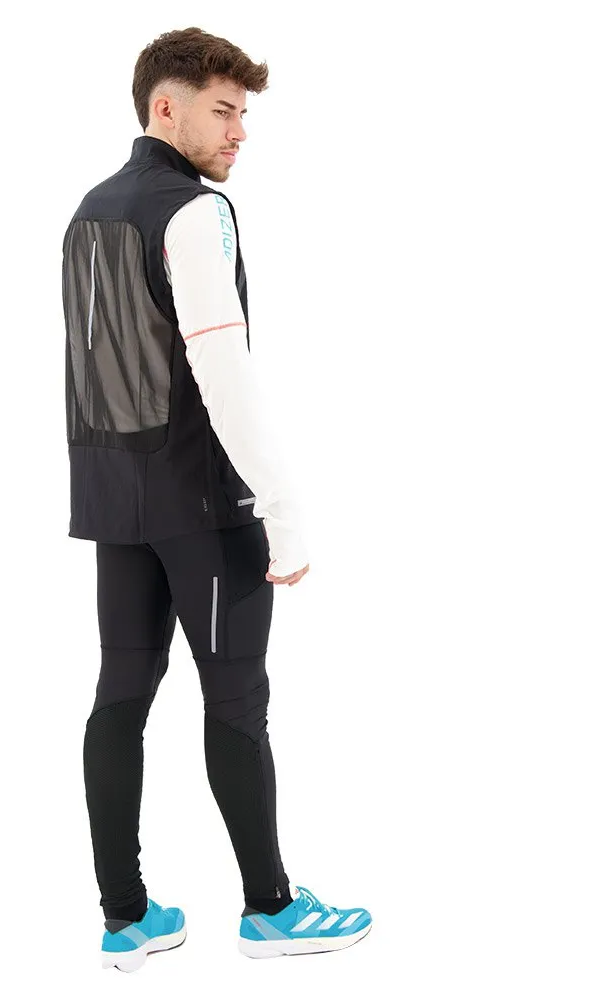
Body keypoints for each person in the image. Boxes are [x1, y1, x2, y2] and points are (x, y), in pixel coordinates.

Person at [61, 27, 372, 972]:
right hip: (202, 504)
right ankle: (270, 910)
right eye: (224, 111)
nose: (240, 132)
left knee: (120, 695)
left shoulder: (87, 212)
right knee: (236, 699)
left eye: (244, 114)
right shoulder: (197, 212)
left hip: (115, 504)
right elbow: (222, 370)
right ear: (167, 107)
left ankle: (126, 919)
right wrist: (281, 509)